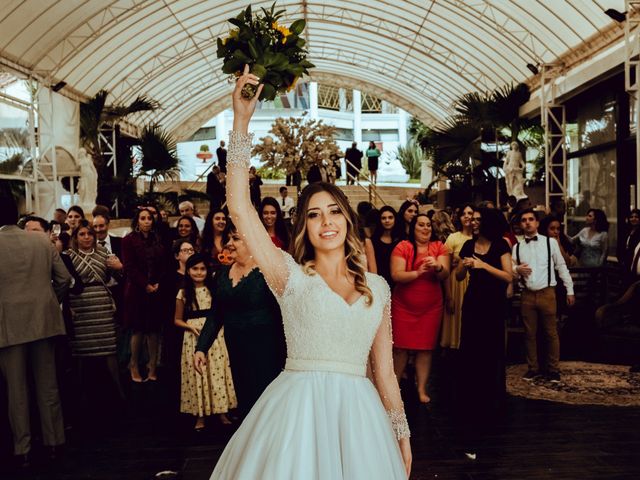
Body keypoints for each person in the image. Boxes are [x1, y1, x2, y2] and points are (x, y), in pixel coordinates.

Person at [195, 66, 411, 478]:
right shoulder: (288, 275)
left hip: (359, 422)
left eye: (334, 211)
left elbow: (383, 371)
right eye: (314, 215)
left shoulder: (378, 290)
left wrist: (401, 434)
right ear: (304, 227)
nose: (326, 222)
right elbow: (239, 207)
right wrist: (241, 119)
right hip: (295, 414)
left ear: (346, 220)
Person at [0, 198, 71, 467]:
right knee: (48, 386)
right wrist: (49, 301)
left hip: (8, 326)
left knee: (16, 392)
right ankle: (55, 443)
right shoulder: (42, 241)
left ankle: (24, 448)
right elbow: (64, 279)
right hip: (44, 322)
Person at [196, 220, 286, 417]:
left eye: (235, 238)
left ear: (252, 242)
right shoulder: (222, 273)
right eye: (228, 238)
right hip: (236, 347)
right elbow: (216, 313)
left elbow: (284, 314)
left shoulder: (268, 273)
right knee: (245, 403)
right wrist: (202, 347)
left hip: (265, 350)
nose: (228, 243)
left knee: (266, 403)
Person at [454, 207, 513, 460]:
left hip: (493, 306)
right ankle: (471, 396)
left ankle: (494, 399)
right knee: (471, 352)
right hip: (474, 303)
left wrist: (483, 265)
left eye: (478, 219)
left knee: (492, 352)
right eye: (472, 219)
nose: (473, 222)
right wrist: (464, 265)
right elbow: (457, 277)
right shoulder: (468, 244)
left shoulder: (500, 245)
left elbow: (508, 276)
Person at [391, 213, 450, 404]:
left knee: (425, 349)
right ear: (413, 228)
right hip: (403, 306)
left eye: (428, 226)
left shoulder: (438, 247)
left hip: (430, 307)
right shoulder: (403, 246)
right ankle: (394, 386)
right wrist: (418, 272)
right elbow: (397, 275)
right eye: (421, 225)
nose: (425, 228)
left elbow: (445, 275)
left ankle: (421, 388)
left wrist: (438, 267)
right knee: (400, 349)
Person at [175, 254, 236, 430]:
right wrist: (190, 327)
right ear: (188, 271)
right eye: (195, 269)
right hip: (193, 335)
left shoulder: (213, 290)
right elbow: (176, 319)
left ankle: (222, 411)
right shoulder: (183, 292)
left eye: (202, 269)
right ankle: (200, 416)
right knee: (198, 374)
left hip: (215, 335)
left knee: (218, 371)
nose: (199, 272)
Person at [514, 209, 575, 382]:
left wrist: (570, 290)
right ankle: (533, 368)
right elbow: (510, 269)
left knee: (551, 333)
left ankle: (553, 369)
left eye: (531, 219)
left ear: (537, 223)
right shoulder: (516, 247)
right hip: (526, 294)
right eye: (524, 220)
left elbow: (562, 267)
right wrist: (516, 269)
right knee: (529, 333)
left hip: (547, 293)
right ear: (520, 224)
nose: (527, 222)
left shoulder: (550, 243)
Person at [64, 220, 124, 398]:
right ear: (75, 237)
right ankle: (81, 393)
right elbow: (63, 283)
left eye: (89, 233)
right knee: (81, 351)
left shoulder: (104, 252)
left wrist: (119, 268)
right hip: (80, 305)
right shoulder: (68, 255)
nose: (87, 237)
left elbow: (117, 276)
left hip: (102, 304)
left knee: (109, 349)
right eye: (82, 234)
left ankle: (119, 391)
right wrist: (67, 307)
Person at [122, 208, 166, 382]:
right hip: (136, 291)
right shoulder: (128, 240)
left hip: (155, 290)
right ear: (137, 221)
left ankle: (153, 366)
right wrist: (145, 284)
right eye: (143, 218)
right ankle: (133, 364)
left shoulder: (158, 240)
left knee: (154, 330)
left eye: (149, 218)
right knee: (138, 330)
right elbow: (129, 267)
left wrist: (157, 283)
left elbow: (164, 264)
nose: (147, 221)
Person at [441, 203, 474, 349]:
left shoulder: (481, 238)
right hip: (457, 283)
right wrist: (448, 296)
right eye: (463, 214)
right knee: (457, 317)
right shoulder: (453, 238)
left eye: (470, 213)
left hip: (475, 281)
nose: (467, 216)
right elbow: (446, 269)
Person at [369, 206, 403, 289]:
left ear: (395, 219)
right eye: (383, 218)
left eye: (390, 217)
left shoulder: (402, 239)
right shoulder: (374, 240)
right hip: (380, 283)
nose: (387, 220)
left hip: (399, 283)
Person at [202, 209, 228, 273]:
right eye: (217, 219)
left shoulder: (231, 239)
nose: (221, 221)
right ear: (210, 221)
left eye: (223, 219)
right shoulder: (202, 240)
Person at [620, 209, 640, 286]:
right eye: (631, 217)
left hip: (634, 265)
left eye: (636, 217)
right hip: (625, 265)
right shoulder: (627, 231)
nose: (633, 219)